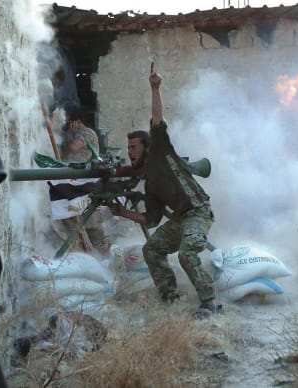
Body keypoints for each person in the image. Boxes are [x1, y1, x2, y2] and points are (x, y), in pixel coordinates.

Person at [109, 66, 221, 319]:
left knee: (187, 252)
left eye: (134, 147)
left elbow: (157, 118)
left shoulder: (160, 150)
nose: (130, 152)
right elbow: (151, 219)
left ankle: (210, 302)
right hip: (181, 219)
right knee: (152, 249)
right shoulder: (149, 184)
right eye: (128, 148)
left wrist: (155, 88)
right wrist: (123, 212)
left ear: (147, 147)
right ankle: (170, 296)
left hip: (198, 212)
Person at [49, 105, 111, 255]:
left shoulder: (87, 133)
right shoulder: (76, 134)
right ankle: (89, 257)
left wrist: (70, 134)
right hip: (74, 187)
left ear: (75, 122)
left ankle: (107, 260)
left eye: (68, 124)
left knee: (94, 228)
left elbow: (74, 147)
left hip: (84, 187)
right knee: (77, 226)